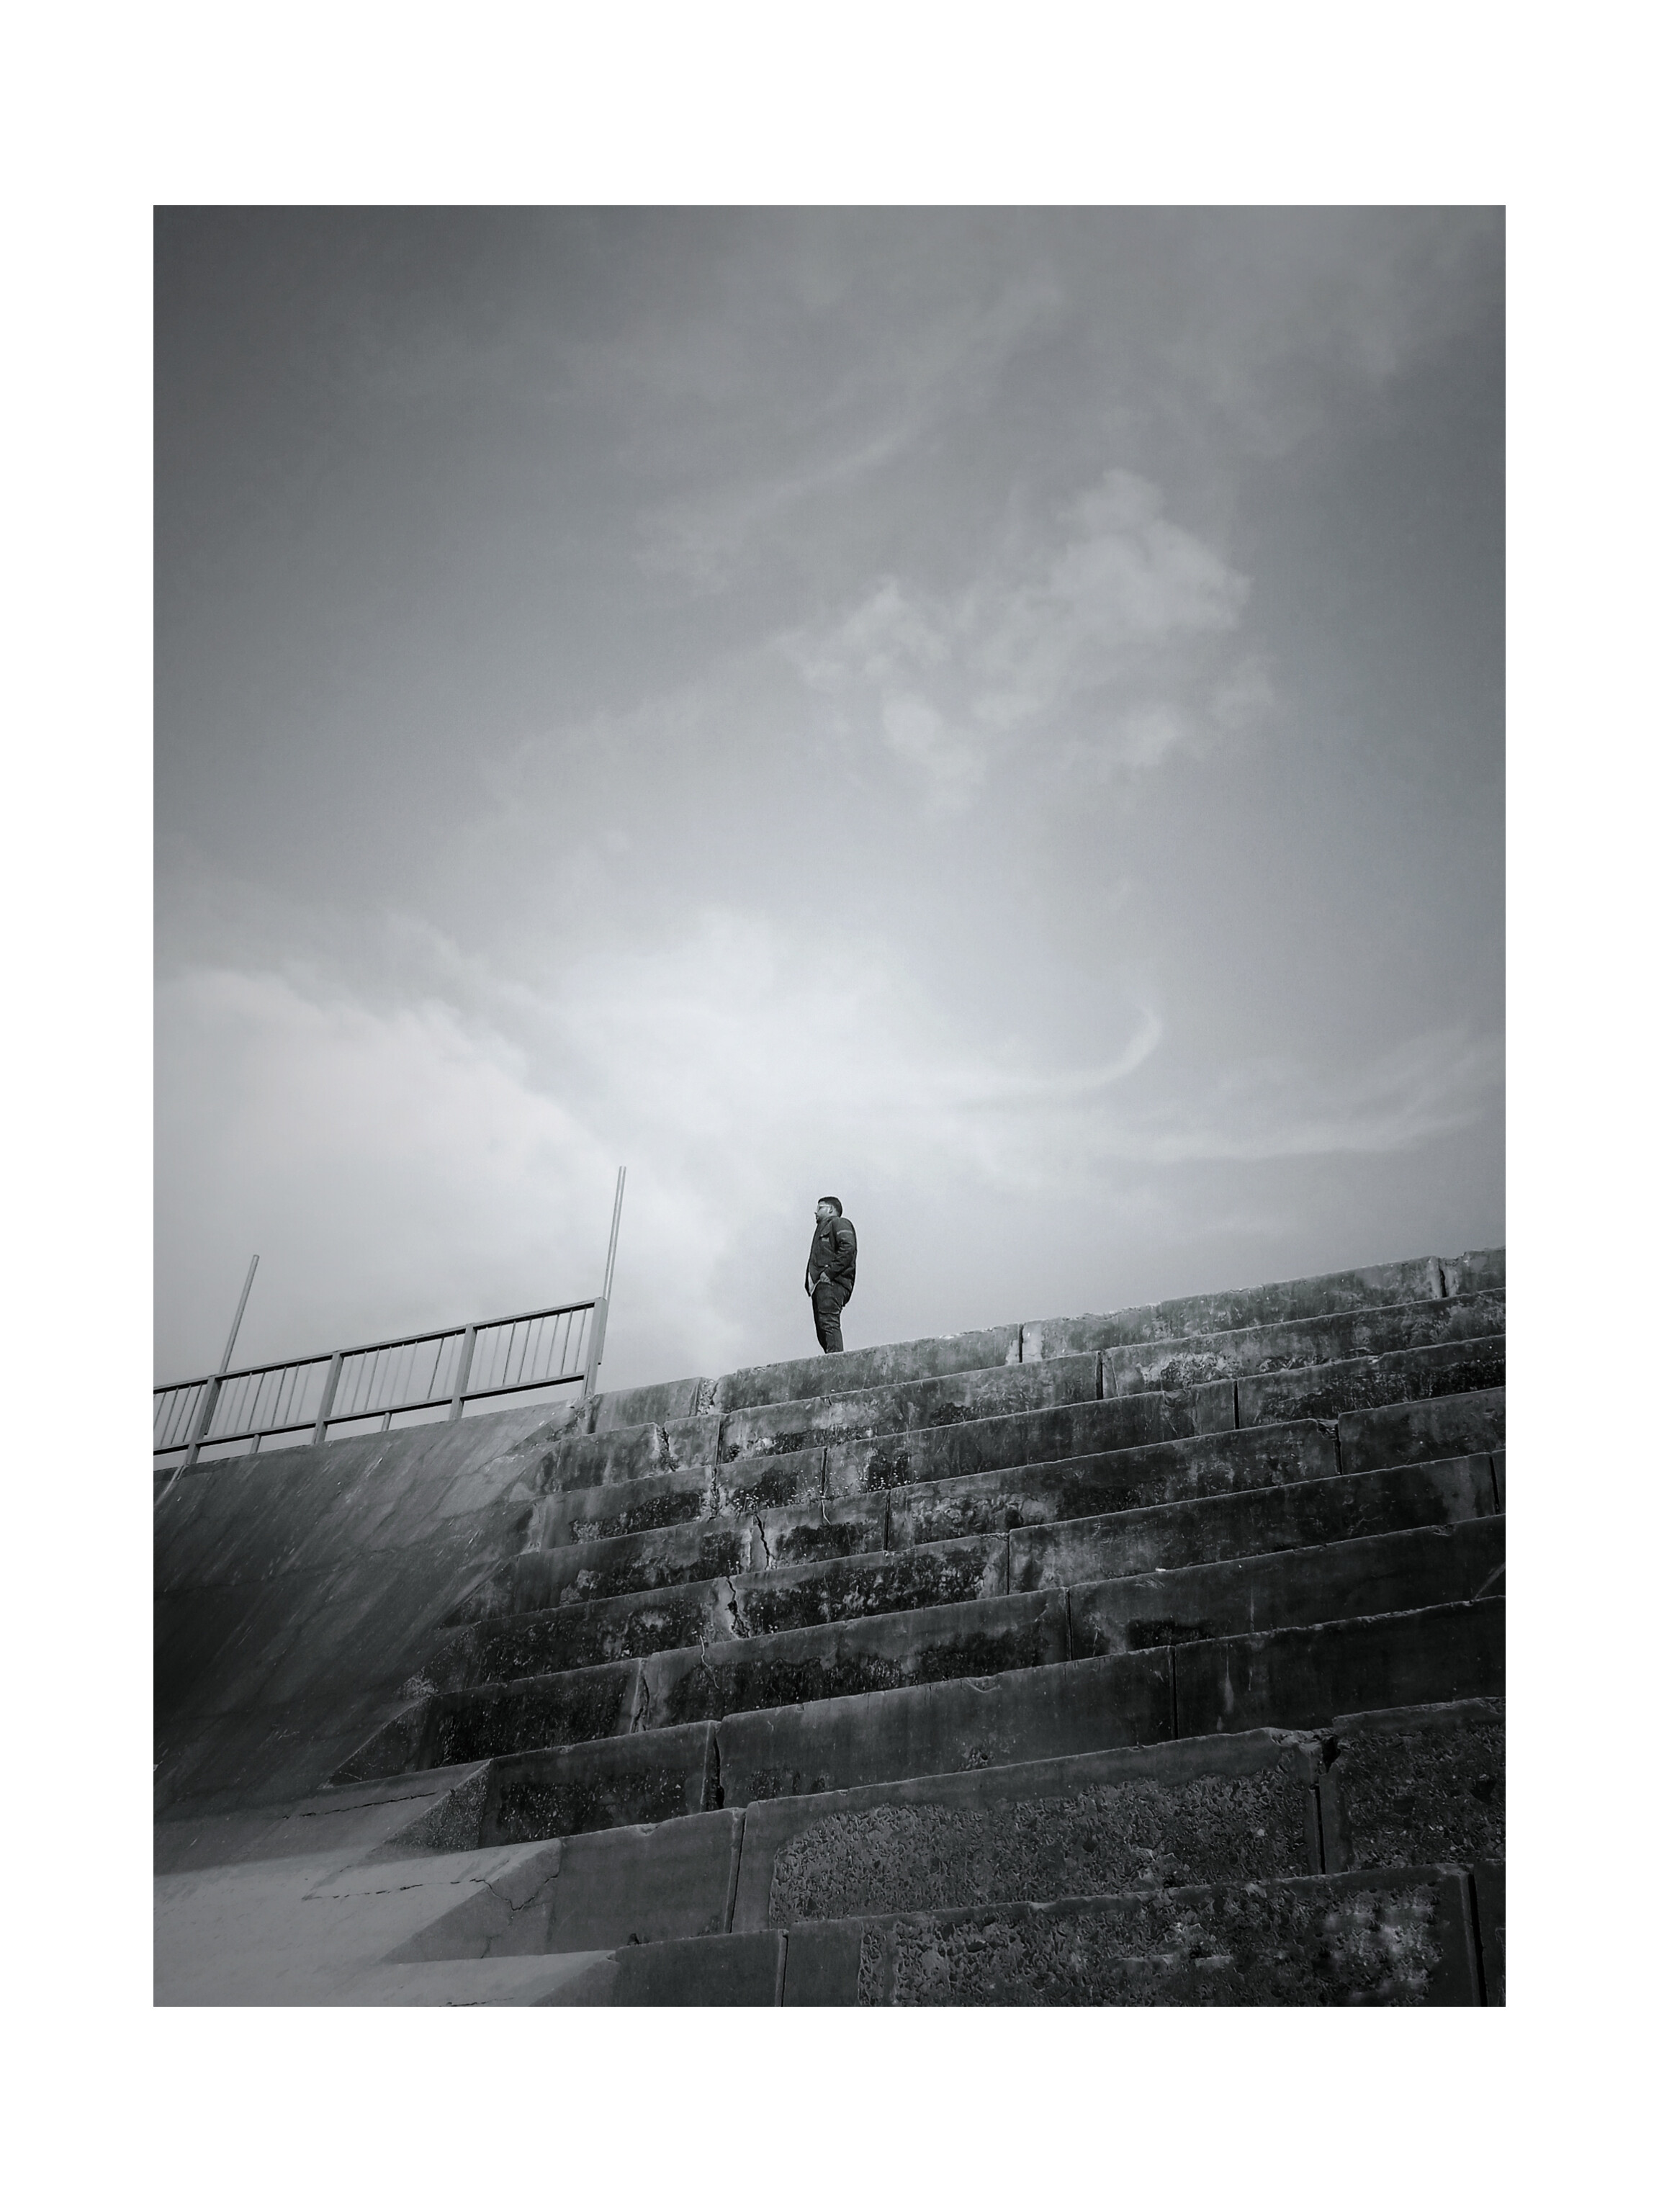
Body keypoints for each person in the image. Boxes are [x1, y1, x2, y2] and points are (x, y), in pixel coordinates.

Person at [804, 1195, 857, 1354]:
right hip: (822, 1285)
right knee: (823, 1329)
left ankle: (836, 1362)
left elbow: (848, 1247)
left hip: (833, 1282)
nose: (816, 1212)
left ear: (831, 1209)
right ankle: (831, 1358)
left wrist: (829, 1273)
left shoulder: (839, 1223)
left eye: (820, 1208)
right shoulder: (823, 1227)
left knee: (828, 1322)